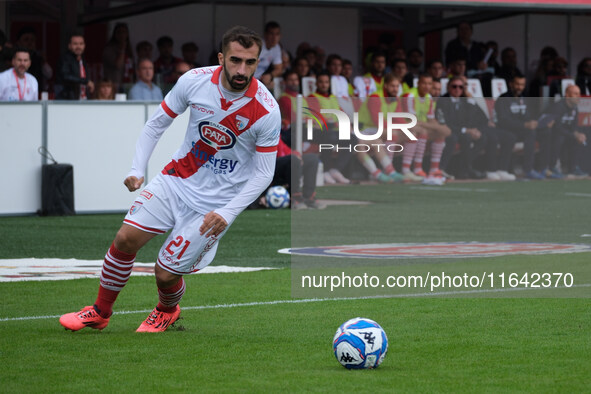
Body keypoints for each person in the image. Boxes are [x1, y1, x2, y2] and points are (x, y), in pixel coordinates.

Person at [59, 25, 281, 333]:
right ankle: (99, 311)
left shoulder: (267, 110)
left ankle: (167, 309)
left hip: (214, 206)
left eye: (250, 62)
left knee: (164, 273)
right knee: (125, 239)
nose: (242, 69)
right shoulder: (194, 81)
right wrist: (137, 168)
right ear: (221, 58)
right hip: (176, 181)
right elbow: (156, 124)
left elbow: (263, 173)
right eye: (235, 60)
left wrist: (228, 212)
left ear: (258, 62)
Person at [437, 76, 516, 180]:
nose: (458, 89)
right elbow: (448, 122)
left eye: (461, 87)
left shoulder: (466, 100)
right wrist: (467, 130)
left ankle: (498, 169)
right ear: (448, 87)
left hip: (475, 127)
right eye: (454, 86)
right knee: (481, 138)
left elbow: (481, 117)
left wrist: (470, 100)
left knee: (508, 136)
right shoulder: (443, 100)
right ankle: (469, 169)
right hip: (458, 130)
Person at [495, 73, 550, 179]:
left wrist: (535, 122)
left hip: (522, 129)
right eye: (517, 84)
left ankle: (544, 168)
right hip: (508, 130)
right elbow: (503, 121)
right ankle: (528, 169)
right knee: (530, 133)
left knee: (546, 132)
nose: (520, 87)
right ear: (511, 84)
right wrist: (525, 125)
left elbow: (528, 115)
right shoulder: (503, 99)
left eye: (522, 84)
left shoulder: (524, 98)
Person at [400, 73, 451, 183]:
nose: (426, 86)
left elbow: (431, 119)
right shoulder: (409, 96)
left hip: (419, 127)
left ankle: (434, 169)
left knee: (441, 132)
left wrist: (439, 127)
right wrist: (435, 126)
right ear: (418, 83)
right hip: (403, 127)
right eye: (424, 83)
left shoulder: (428, 98)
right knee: (422, 131)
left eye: (429, 84)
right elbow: (411, 120)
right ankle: (415, 168)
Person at [356, 73, 405, 183]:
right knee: (391, 134)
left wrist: (410, 128)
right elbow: (377, 120)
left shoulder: (395, 99)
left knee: (410, 133)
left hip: (375, 130)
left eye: (397, 86)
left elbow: (399, 119)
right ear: (386, 86)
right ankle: (382, 172)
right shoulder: (375, 97)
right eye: (392, 86)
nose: (395, 89)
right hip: (364, 129)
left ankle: (393, 171)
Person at [307, 71, 354, 184]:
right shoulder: (312, 97)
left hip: (332, 130)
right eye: (321, 82)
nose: (324, 85)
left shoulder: (332, 97)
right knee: (329, 137)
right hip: (316, 131)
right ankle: (325, 170)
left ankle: (335, 170)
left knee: (352, 139)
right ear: (316, 84)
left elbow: (341, 113)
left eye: (326, 82)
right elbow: (317, 117)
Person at [542, 84, 588, 177]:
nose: (578, 96)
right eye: (575, 94)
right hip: (551, 134)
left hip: (565, 134)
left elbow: (574, 127)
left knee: (579, 138)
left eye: (579, 94)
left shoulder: (575, 108)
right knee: (559, 138)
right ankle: (552, 166)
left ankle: (573, 168)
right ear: (567, 95)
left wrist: (578, 134)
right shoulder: (558, 107)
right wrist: (573, 135)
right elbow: (556, 128)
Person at [56, 33, 95, 100]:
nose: (78, 47)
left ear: (84, 46)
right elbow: (66, 76)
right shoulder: (65, 59)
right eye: (75, 44)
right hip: (69, 100)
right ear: (69, 46)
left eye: (81, 44)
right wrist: (86, 81)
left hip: (82, 98)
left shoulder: (82, 60)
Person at [103, 23, 135, 92]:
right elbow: (118, 65)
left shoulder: (129, 49)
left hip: (128, 84)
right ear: (115, 34)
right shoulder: (109, 49)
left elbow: (132, 67)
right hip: (114, 85)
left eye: (124, 32)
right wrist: (122, 49)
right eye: (119, 32)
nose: (122, 35)